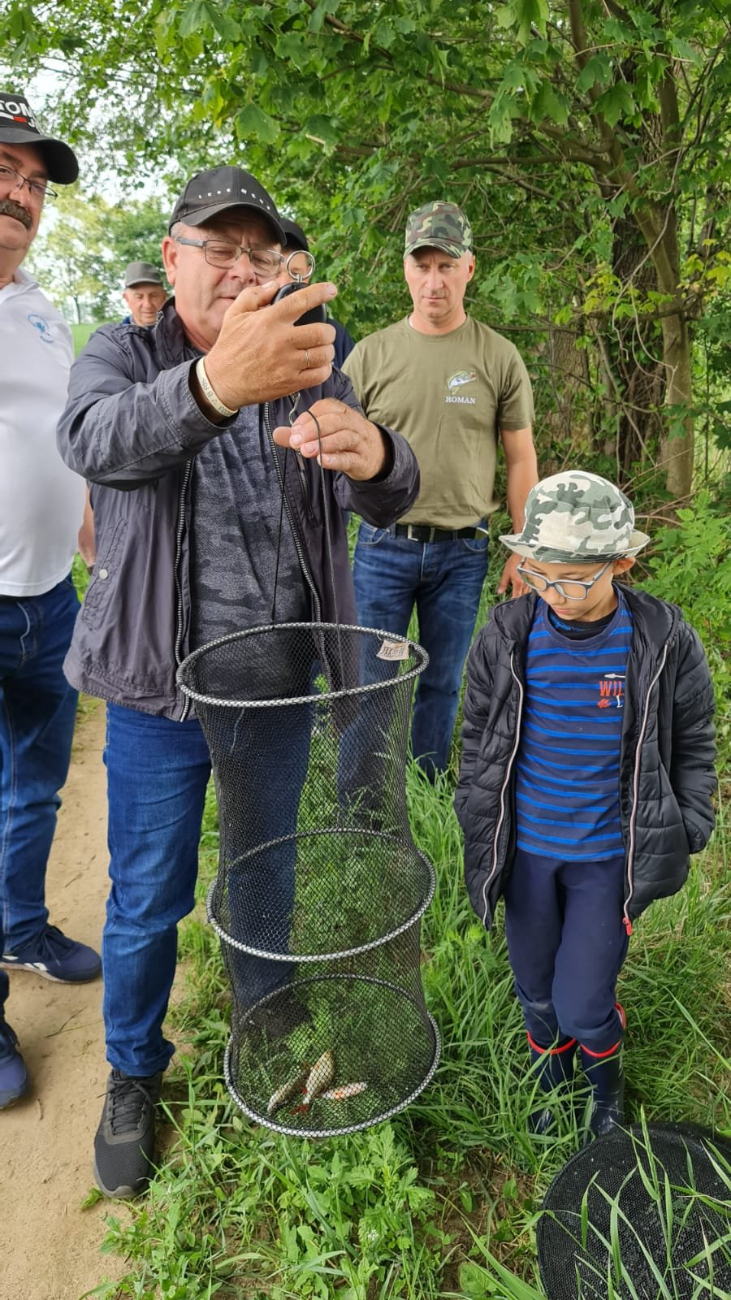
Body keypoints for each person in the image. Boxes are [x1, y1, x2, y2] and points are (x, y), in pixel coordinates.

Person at [57, 164, 419, 1198]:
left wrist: (381, 454)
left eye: (261, 254)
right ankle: (133, 1071)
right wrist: (220, 385)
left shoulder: (316, 359)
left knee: (264, 871)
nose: (241, 269)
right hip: (159, 694)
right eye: (218, 249)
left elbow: (393, 493)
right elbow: (92, 439)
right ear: (172, 261)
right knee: (147, 896)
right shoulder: (122, 350)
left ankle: (270, 1015)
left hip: (274, 686)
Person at [454, 472, 717, 1140]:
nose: (555, 595)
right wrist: (474, 811)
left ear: (619, 564)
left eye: (573, 580)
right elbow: (477, 732)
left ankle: (605, 1093)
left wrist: (687, 826)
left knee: (582, 1001)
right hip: (528, 857)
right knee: (536, 992)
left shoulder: (659, 640)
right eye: (540, 576)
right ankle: (552, 1081)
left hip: (606, 860)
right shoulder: (508, 634)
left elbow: (693, 741)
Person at [343, 201, 538, 780]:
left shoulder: (498, 356)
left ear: (468, 269)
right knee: (371, 681)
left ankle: (425, 790)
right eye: (422, 264)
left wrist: (522, 547)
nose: (434, 281)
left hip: (463, 550)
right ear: (405, 268)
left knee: (442, 681)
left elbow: (520, 455)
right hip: (382, 547)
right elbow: (336, 459)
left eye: (446, 266)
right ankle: (362, 803)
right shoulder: (370, 357)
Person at [0, 91, 101, 1110]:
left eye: (34, 181)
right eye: (5, 167)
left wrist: (89, 536)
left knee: (35, 786)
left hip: (48, 598)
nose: (22, 192)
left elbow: (58, 443)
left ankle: (21, 925)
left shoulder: (38, 306)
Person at [280, 217, 355, 367]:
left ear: (308, 274)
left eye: (295, 273)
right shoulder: (243, 332)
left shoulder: (335, 336)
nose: (283, 283)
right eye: (275, 272)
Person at [121, 261, 167, 327]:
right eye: (139, 297)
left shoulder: (183, 333)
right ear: (126, 299)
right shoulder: (112, 336)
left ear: (164, 296)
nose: (147, 305)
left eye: (153, 296)